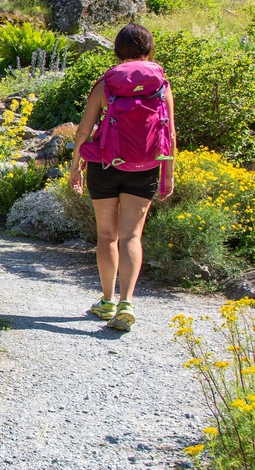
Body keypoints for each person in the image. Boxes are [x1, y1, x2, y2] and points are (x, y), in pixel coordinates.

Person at [68, 23, 175, 332]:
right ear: (149, 48)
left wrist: (76, 165)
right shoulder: (161, 85)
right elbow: (169, 134)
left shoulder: (106, 84)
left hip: (105, 166)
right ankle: (126, 303)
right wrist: (168, 176)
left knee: (107, 235)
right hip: (145, 168)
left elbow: (83, 131)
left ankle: (106, 301)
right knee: (131, 236)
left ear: (117, 49)